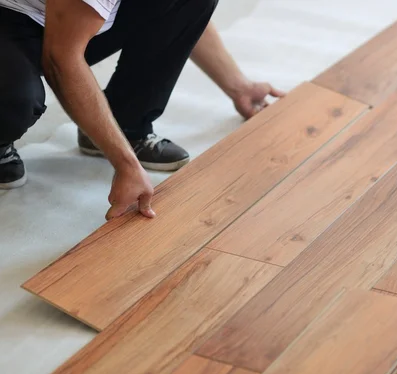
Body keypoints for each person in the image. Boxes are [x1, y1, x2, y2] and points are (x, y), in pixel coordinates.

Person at [0, 0, 285, 220]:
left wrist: (239, 87)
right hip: (10, 17)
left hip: (65, 15)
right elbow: (60, 59)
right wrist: (125, 165)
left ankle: (126, 125)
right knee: (13, 100)